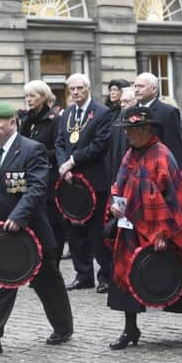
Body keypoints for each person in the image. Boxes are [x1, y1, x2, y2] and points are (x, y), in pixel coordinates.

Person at [0, 101, 73, 358]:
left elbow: (37, 188)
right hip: (4, 236)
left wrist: (19, 216)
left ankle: (63, 327)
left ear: (12, 123)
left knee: (48, 282)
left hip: (32, 233)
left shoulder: (32, 149)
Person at [107, 105, 182, 349]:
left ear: (146, 129)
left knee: (177, 276)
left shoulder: (162, 155)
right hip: (132, 224)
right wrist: (114, 203)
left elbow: (173, 199)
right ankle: (130, 329)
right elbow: (118, 185)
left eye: (132, 130)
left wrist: (162, 233)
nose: (128, 135)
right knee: (126, 276)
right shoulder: (130, 154)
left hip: (162, 227)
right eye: (126, 130)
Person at [56, 73, 112, 293]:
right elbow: (60, 141)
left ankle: (105, 276)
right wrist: (63, 165)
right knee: (74, 232)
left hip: (94, 179)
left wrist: (72, 161)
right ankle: (83, 275)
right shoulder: (67, 113)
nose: (76, 92)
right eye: (72, 89)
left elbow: (100, 144)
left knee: (97, 232)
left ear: (88, 89)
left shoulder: (102, 113)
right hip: (70, 183)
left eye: (80, 88)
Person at [19, 80, 65, 266]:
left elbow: (58, 151)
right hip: (29, 180)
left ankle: (54, 262)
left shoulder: (55, 120)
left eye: (32, 96)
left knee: (53, 224)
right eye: (26, 96)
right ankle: (37, 262)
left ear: (43, 97)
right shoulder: (28, 120)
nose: (28, 100)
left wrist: (35, 154)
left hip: (50, 180)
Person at [134, 72, 182, 167]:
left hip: (158, 168)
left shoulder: (168, 112)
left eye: (141, 86)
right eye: (135, 86)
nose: (136, 90)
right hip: (133, 169)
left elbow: (173, 146)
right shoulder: (129, 112)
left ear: (154, 89)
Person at [108, 86, 137, 182]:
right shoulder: (117, 121)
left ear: (135, 101)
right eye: (121, 102)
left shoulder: (140, 122)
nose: (123, 105)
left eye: (126, 101)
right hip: (117, 169)